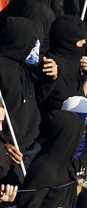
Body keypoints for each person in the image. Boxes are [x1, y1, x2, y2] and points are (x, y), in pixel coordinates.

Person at [0, 17, 56, 179]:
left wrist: (49, 79)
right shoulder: (3, 69)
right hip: (11, 152)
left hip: (28, 146)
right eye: (31, 41)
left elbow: (34, 98)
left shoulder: (22, 66)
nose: (34, 47)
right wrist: (3, 145)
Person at [17, 110, 85, 208]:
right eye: (81, 132)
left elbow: (84, 184)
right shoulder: (44, 167)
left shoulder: (72, 160)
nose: (83, 136)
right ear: (69, 134)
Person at [42, 15, 87, 115]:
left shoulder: (75, 62)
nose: (84, 44)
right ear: (68, 42)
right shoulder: (50, 65)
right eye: (81, 41)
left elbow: (79, 101)